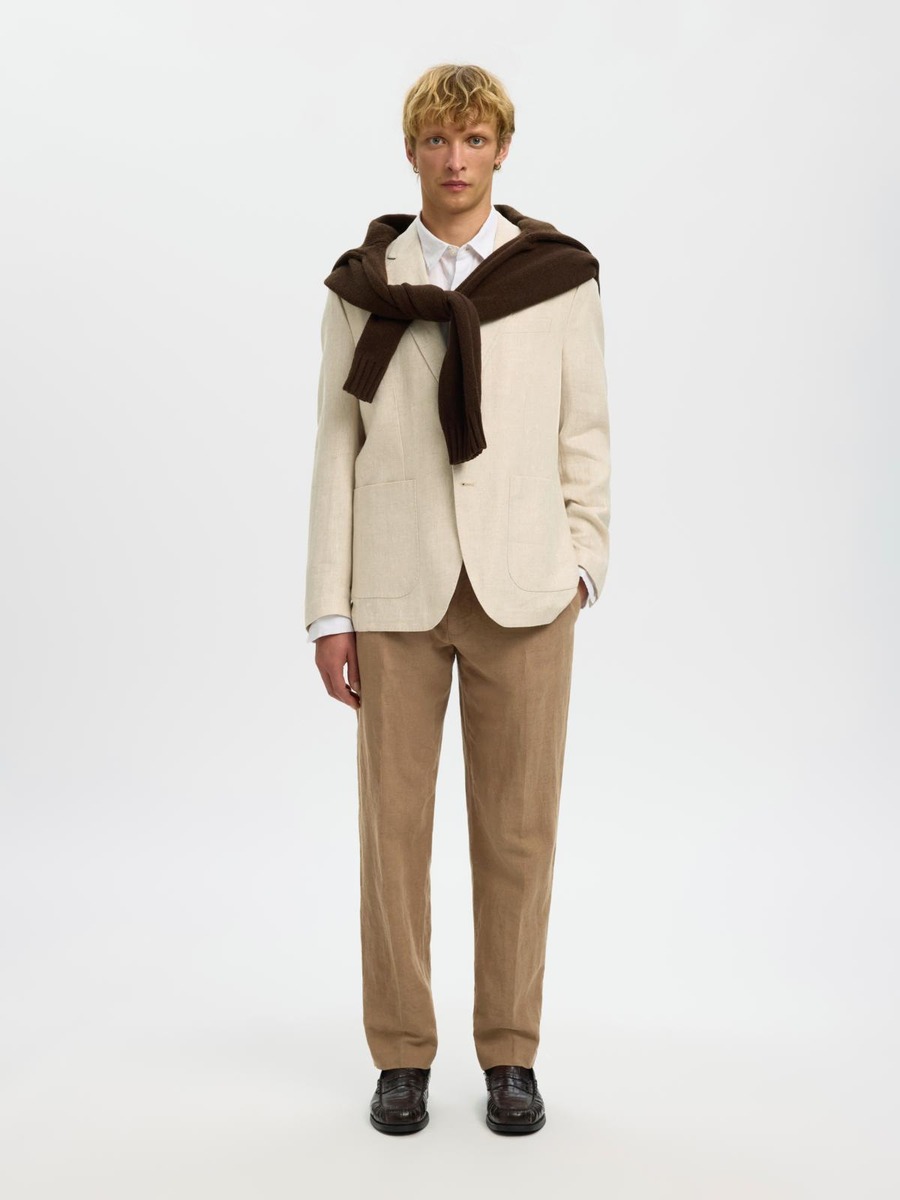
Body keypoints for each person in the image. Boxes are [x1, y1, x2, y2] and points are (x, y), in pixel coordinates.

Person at [304, 63, 611, 1136]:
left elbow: (585, 431)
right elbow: (334, 444)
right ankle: (401, 1055)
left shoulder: (558, 278)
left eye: (474, 140)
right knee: (392, 840)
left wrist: (584, 562)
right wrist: (329, 609)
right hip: (394, 590)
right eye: (437, 141)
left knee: (519, 836)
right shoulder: (363, 287)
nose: (454, 160)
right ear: (411, 152)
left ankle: (510, 1053)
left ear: (501, 151)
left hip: (526, 590)